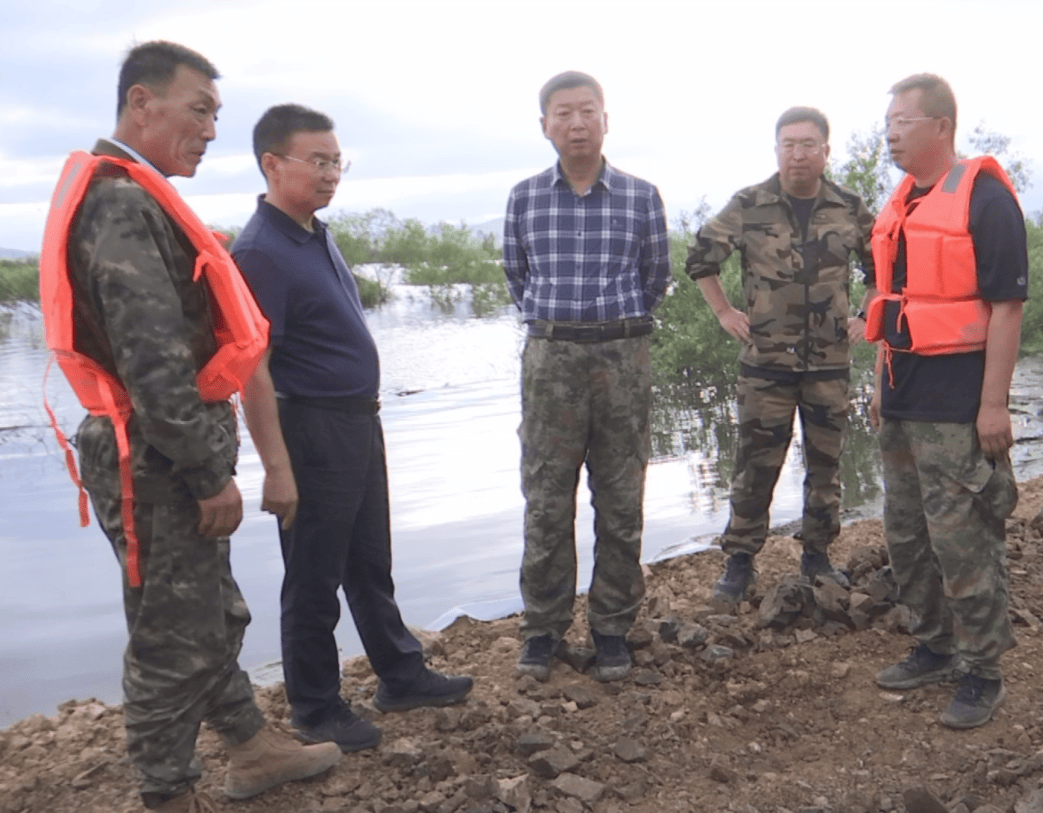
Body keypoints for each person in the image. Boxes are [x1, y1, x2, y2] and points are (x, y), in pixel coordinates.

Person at [41, 42, 342, 812]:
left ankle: (249, 745)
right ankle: (167, 791)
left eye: (217, 114)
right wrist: (208, 473)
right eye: (198, 109)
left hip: (163, 448)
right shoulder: (119, 204)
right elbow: (151, 359)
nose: (211, 129)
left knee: (208, 610)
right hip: (156, 457)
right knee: (172, 636)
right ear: (142, 104)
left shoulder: (139, 197)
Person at [232, 104, 472, 751]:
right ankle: (314, 707)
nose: (331, 172)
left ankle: (400, 673)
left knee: (370, 562)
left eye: (337, 160)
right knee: (313, 574)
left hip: (357, 422)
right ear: (272, 164)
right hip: (310, 428)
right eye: (318, 160)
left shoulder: (314, 233)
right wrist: (275, 465)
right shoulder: (259, 251)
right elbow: (250, 368)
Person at [867, 74, 1026, 729]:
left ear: (940, 125)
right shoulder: (901, 201)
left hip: (959, 409)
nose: (891, 131)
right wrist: (879, 391)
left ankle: (982, 670)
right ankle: (934, 645)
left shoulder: (985, 198)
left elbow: (1006, 309)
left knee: (964, 544)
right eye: (888, 122)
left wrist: (994, 406)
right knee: (906, 538)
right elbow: (891, 308)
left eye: (902, 120)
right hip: (902, 404)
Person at [503, 71, 671, 682]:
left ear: (606, 120)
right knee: (547, 500)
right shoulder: (523, 198)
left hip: (623, 358)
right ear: (545, 124)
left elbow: (656, 277)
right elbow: (517, 279)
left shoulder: (640, 196)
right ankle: (543, 632)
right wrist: (564, 327)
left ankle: (611, 629)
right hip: (551, 362)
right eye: (563, 113)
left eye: (587, 111)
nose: (576, 123)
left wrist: (612, 329)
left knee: (621, 499)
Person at [685, 107, 877, 608]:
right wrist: (724, 310)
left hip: (830, 362)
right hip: (766, 363)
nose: (798, 154)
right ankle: (740, 561)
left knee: (826, 463)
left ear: (825, 151)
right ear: (776, 150)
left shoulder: (850, 207)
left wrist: (865, 315)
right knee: (755, 465)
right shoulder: (750, 205)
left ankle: (816, 554)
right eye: (788, 144)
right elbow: (701, 256)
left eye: (808, 144)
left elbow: (884, 266)